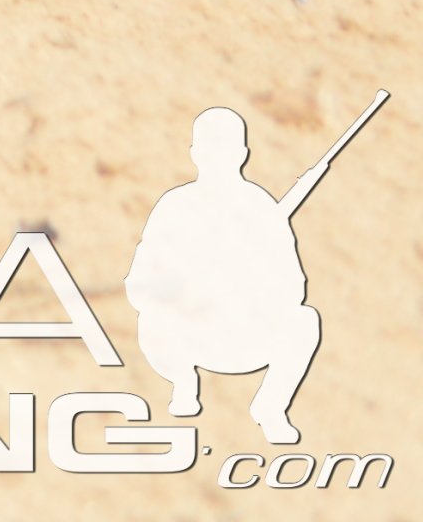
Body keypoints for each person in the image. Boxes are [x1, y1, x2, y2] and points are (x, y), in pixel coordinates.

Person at [125, 105, 327, 448]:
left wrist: (252, 283)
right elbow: (139, 284)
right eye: (209, 148)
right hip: (187, 338)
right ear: (195, 153)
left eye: (225, 148)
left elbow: (294, 288)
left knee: (305, 321)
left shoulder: (262, 209)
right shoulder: (174, 206)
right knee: (150, 321)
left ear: (242, 154)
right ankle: (183, 382)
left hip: (247, 335)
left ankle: (271, 407)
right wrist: (187, 293)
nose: (217, 157)